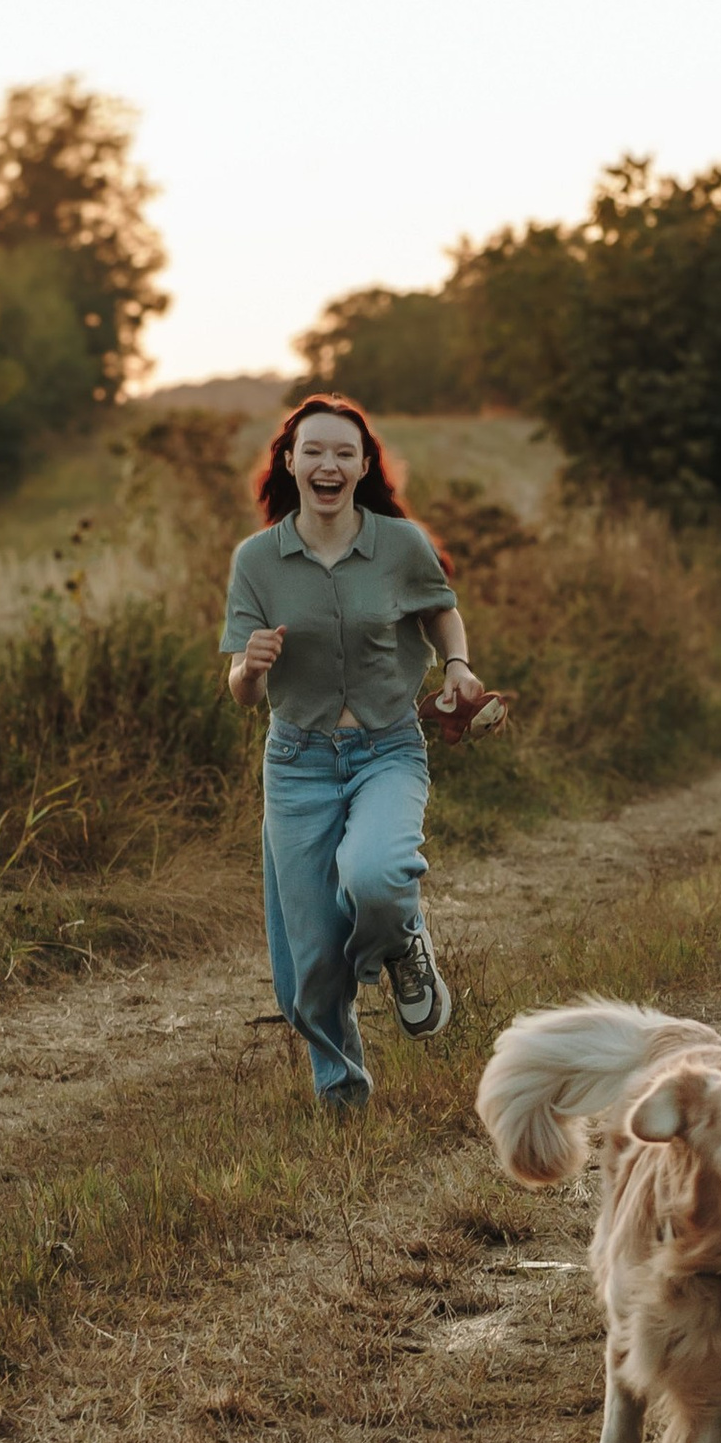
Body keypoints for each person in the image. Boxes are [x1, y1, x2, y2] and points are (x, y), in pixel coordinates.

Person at [221, 396, 484, 1109]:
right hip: (296, 761)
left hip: (386, 747)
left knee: (376, 874)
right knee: (307, 966)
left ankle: (400, 944)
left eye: (343, 452)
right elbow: (241, 692)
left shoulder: (399, 543)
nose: (327, 464)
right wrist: (251, 666)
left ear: (364, 466)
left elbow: (439, 610)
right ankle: (342, 1098)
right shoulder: (257, 559)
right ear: (289, 462)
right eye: (313, 451)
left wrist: (457, 665)